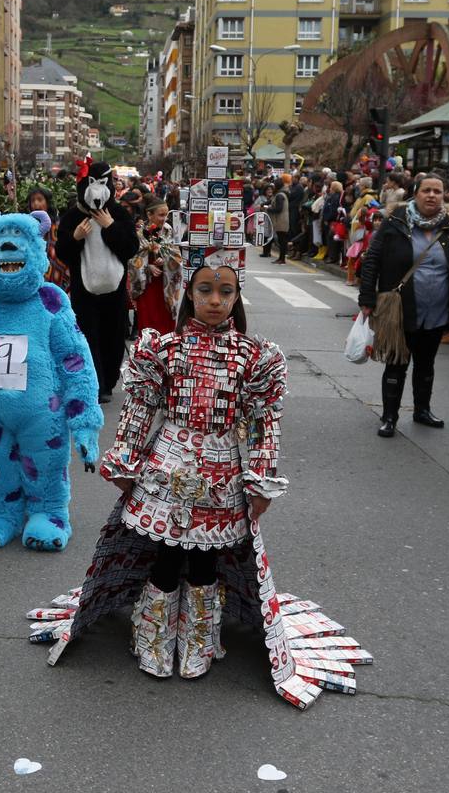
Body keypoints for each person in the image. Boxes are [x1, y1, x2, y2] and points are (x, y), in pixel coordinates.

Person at [28, 251, 368, 704]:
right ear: (188, 293)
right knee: (165, 555)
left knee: (207, 561)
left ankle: (199, 643)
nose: (215, 301)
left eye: (225, 292)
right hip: (166, 468)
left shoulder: (255, 357)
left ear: (237, 296)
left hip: (222, 473)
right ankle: (153, 639)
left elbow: (264, 423)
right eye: (205, 290)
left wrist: (261, 480)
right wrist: (125, 461)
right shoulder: (162, 350)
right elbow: (139, 409)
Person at [359, 172, 449, 438]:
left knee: (426, 363)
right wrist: (367, 299)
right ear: (416, 193)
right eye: (426, 190)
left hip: (437, 311)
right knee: (397, 362)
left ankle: (422, 410)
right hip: (400, 309)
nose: (432, 195)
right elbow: (372, 258)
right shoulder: (395, 222)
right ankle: (389, 416)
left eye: (437, 191)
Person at [54, 160, 139, 402]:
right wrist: (76, 237)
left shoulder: (119, 213)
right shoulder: (73, 217)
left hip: (115, 289)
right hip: (84, 289)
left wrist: (110, 227)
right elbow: (63, 252)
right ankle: (95, 383)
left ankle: (109, 380)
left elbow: (130, 247)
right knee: (87, 334)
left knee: (113, 335)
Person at [128, 194, 181, 335]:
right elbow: (131, 257)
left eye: (166, 215)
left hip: (165, 280)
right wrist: (147, 266)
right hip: (147, 283)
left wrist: (166, 260)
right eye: (161, 215)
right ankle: (146, 350)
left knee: (165, 318)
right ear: (149, 215)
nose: (165, 219)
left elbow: (176, 255)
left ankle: (166, 348)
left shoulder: (169, 230)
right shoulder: (138, 232)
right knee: (148, 319)